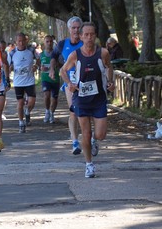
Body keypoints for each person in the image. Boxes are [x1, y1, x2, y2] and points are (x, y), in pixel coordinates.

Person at [60, 22, 114, 178]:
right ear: (81, 36)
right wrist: (69, 84)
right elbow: (62, 71)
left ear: (95, 36)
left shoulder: (103, 53)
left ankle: (93, 143)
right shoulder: (75, 55)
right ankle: (89, 165)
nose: (89, 37)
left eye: (92, 34)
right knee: (86, 132)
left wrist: (110, 82)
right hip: (81, 99)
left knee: (101, 134)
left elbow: (109, 67)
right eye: (86, 35)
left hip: (99, 99)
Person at [51, 16, 84, 154]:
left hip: (85, 81)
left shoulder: (85, 43)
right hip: (69, 82)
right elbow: (53, 57)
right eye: (73, 28)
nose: (76, 30)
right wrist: (52, 69)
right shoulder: (62, 44)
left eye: (78, 28)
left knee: (87, 111)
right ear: (69, 29)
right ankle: (75, 142)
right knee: (73, 111)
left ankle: (89, 137)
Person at [8, 32, 39, 133]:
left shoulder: (31, 50)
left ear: (26, 41)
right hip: (18, 82)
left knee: (32, 101)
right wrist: (9, 72)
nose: (21, 43)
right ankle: (21, 122)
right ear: (16, 42)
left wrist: (36, 66)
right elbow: (8, 66)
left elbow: (38, 59)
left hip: (29, 80)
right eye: (19, 41)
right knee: (20, 102)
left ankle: (27, 111)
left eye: (23, 41)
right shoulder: (12, 53)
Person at [40, 35, 60, 123]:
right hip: (45, 79)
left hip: (55, 79)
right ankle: (47, 111)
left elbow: (63, 65)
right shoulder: (41, 55)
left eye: (51, 41)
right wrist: (40, 68)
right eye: (47, 41)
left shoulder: (57, 54)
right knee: (46, 95)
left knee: (54, 99)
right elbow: (38, 65)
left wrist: (57, 64)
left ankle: (52, 113)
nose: (49, 43)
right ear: (44, 43)